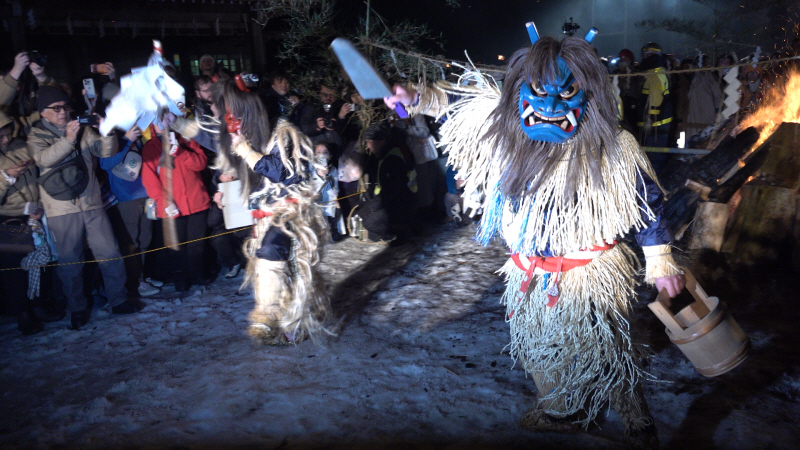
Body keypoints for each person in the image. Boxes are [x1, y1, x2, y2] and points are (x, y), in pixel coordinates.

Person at [385, 26, 685, 449]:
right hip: (528, 274)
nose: (548, 105)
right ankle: (564, 411)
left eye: (565, 94)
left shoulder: (615, 149)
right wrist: (412, 98)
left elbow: (646, 205)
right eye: (538, 90)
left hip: (590, 273)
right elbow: (457, 103)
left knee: (609, 352)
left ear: (590, 96)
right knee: (540, 349)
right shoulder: (506, 132)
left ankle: (637, 421)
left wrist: (660, 262)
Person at [210, 78, 330, 345]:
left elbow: (283, 172)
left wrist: (244, 149)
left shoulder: (283, 133)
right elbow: (231, 164)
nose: (232, 118)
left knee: (271, 254)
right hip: (263, 213)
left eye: (236, 111)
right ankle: (285, 324)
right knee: (279, 274)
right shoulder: (244, 135)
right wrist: (223, 187)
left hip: (291, 212)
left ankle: (268, 316)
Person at [27, 85, 141, 330]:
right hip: (61, 209)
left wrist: (105, 130)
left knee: (110, 252)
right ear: (43, 112)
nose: (62, 112)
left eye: (65, 107)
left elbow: (106, 150)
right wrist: (68, 139)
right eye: (55, 108)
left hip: (91, 202)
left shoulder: (83, 130)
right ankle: (77, 309)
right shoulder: (36, 135)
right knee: (70, 262)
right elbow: (44, 159)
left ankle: (118, 300)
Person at [0, 111, 62, 334]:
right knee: (14, 272)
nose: (6, 140)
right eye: (1, 136)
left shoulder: (19, 145)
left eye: (7, 134)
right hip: (9, 218)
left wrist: (40, 203)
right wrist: (6, 177)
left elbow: (37, 174)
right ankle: (22, 314)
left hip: (33, 213)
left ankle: (38, 305)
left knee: (39, 263)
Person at [141, 120, 211, 292]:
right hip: (171, 207)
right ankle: (181, 279)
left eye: (164, 123)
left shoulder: (187, 140)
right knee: (176, 246)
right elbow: (150, 181)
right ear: (152, 127)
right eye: (157, 124)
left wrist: (180, 152)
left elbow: (201, 163)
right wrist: (165, 203)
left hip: (196, 202)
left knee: (197, 244)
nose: (162, 127)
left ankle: (197, 275)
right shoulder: (151, 148)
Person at [98, 125, 161, 297]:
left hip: (146, 195)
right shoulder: (111, 138)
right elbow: (105, 164)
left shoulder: (138, 134)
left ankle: (142, 277)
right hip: (125, 199)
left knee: (145, 239)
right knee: (131, 242)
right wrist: (126, 141)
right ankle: (135, 282)